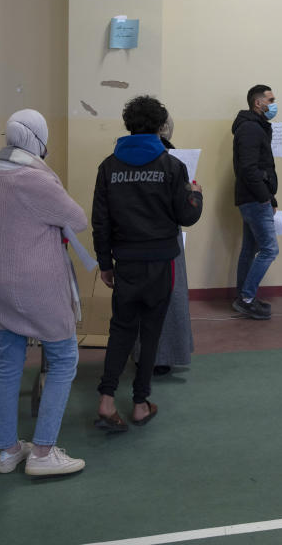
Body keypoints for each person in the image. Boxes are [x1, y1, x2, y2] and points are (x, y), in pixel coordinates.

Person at [0, 109, 88, 476]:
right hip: (36, 286)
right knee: (64, 358)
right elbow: (78, 219)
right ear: (38, 141)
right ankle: (42, 452)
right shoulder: (35, 180)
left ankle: (8, 450)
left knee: (9, 364)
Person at [92, 96, 203, 431]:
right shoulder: (172, 166)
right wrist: (196, 195)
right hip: (160, 262)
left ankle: (107, 401)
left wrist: (105, 264)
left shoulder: (109, 167)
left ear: (129, 125)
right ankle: (140, 404)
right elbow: (186, 215)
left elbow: (101, 222)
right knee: (151, 331)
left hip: (125, 261)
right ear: (159, 126)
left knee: (121, 330)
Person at [132, 115, 195, 375]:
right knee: (170, 296)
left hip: (132, 241)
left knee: (137, 301)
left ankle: (139, 355)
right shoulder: (174, 161)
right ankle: (164, 357)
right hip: (166, 241)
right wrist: (196, 196)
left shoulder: (120, 159)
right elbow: (185, 212)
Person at [231, 84, 279, 320]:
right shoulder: (250, 129)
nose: (274, 104)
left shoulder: (255, 126)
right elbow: (249, 169)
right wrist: (264, 197)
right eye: (271, 100)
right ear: (258, 103)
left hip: (253, 197)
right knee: (270, 249)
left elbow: (260, 168)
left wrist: (270, 196)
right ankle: (246, 298)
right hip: (253, 198)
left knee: (250, 249)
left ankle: (243, 296)